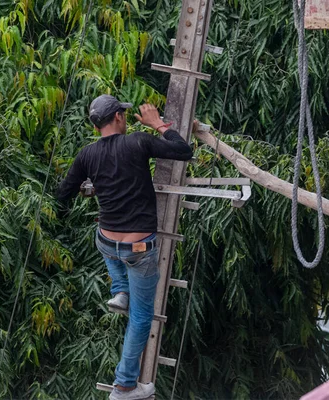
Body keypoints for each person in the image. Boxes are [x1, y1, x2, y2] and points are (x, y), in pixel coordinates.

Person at [56, 94, 193, 400]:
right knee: (142, 317)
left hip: (107, 242)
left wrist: (87, 186)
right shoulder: (138, 142)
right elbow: (184, 151)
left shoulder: (86, 155)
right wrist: (159, 124)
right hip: (138, 248)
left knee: (106, 243)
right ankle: (124, 386)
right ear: (118, 117)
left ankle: (120, 290)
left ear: (96, 126)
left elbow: (63, 193)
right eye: (124, 113)